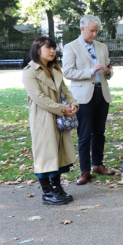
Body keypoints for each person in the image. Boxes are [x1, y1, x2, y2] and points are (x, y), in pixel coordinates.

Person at [22, 37, 79, 205]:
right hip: (43, 119)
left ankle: (57, 188)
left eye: (54, 48)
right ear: (37, 50)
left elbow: (66, 91)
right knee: (45, 156)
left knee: (58, 154)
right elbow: (40, 98)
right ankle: (47, 192)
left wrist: (74, 104)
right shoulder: (30, 71)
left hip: (59, 117)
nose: (52, 51)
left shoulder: (55, 69)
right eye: (48, 48)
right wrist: (63, 109)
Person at [62, 15, 115, 185]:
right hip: (83, 97)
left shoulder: (102, 47)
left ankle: (97, 164)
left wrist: (107, 72)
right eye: (92, 31)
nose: (94, 34)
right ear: (82, 28)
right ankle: (84, 171)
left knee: (99, 133)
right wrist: (90, 71)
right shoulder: (71, 47)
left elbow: (109, 70)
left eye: (96, 31)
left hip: (102, 93)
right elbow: (68, 72)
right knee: (84, 135)